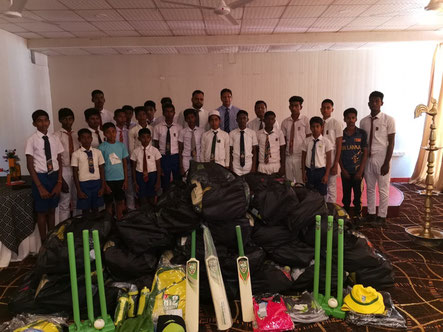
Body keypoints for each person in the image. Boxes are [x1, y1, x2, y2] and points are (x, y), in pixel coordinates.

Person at [25, 110, 64, 243]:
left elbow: (59, 160)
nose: (43, 123)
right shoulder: (31, 140)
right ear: (34, 123)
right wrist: (40, 186)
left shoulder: (55, 138)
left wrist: (59, 182)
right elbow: (30, 166)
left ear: (49, 122)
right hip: (40, 178)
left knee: (52, 210)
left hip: (53, 177)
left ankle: (52, 240)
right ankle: (43, 243)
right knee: (42, 212)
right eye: (39, 121)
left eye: (45, 120)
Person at [360, 91, 395, 227]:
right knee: (369, 187)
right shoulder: (363, 121)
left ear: (381, 103)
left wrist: (386, 163)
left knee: (383, 188)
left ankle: (382, 216)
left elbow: (391, 142)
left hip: (382, 157)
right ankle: (370, 214)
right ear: (368, 103)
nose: (374, 103)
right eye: (372, 101)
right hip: (368, 158)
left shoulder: (389, 120)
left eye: (377, 101)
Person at [339, 108, 368, 220]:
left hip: (358, 172)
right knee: (345, 197)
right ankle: (345, 218)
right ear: (344, 119)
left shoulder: (362, 133)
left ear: (356, 118)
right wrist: (343, 170)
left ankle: (358, 217)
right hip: (345, 172)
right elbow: (339, 154)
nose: (351, 120)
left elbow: (365, 153)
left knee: (358, 197)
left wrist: (360, 171)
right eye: (348, 118)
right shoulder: (341, 135)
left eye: (353, 118)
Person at [71, 129, 105, 216]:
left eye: (88, 138)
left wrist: (102, 186)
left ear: (91, 139)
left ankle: (95, 228)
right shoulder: (76, 154)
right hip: (83, 184)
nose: (86, 140)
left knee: (96, 208)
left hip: (96, 182)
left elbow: (102, 169)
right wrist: (78, 190)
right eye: (83, 138)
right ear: (79, 140)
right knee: (85, 210)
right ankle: (85, 227)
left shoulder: (98, 152)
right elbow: (75, 172)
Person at [99, 122, 128, 220]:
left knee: (120, 201)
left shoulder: (121, 146)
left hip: (120, 178)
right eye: (108, 132)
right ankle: (108, 222)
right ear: (104, 134)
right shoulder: (102, 147)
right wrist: (104, 184)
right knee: (109, 203)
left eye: (113, 131)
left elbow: (124, 164)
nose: (111, 134)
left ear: (116, 132)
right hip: (108, 180)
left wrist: (126, 180)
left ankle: (119, 219)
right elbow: (101, 167)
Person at [55, 108, 80, 222]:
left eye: (70, 119)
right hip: (64, 169)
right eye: (65, 119)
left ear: (73, 119)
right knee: (65, 201)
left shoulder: (77, 135)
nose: (68, 122)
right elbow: (56, 158)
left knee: (77, 198)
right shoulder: (56, 136)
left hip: (77, 168)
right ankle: (63, 229)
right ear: (60, 120)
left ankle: (76, 225)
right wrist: (60, 178)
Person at [281, 96, 310, 184]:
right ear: (289, 107)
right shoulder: (285, 122)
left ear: (301, 107)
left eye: (296, 106)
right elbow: (283, 141)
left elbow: (309, 140)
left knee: (300, 182)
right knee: (288, 183)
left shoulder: (305, 121)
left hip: (300, 156)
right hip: (288, 156)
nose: (294, 108)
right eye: (292, 106)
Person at [153, 103, 182, 190]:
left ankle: (177, 199)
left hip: (175, 156)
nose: (169, 114)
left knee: (177, 180)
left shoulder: (179, 127)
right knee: (165, 180)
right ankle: (166, 199)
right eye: (167, 112)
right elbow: (156, 145)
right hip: (163, 156)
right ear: (163, 113)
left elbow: (180, 146)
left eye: (171, 112)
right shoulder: (157, 127)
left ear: (174, 113)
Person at [301, 117, 332, 197]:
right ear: (310, 128)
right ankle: (311, 209)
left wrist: (326, 175)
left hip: (321, 172)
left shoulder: (326, 142)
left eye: (317, 126)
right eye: (313, 127)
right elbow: (303, 158)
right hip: (309, 171)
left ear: (322, 127)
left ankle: (321, 209)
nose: (315, 129)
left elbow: (329, 160)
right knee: (309, 194)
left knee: (321, 195)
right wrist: (303, 173)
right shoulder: (306, 141)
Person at [131, 128, 162, 206]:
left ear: (150, 138)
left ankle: (151, 216)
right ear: (139, 138)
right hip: (140, 175)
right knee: (142, 198)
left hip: (152, 175)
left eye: (148, 137)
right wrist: (135, 182)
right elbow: (133, 168)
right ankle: (144, 215)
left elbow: (158, 167)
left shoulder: (155, 151)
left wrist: (158, 181)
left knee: (152, 198)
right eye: (143, 137)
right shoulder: (135, 151)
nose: (145, 139)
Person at [321, 99, 343, 203]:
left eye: (328, 108)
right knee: (322, 185)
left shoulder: (336, 123)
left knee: (331, 186)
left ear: (332, 109)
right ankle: (322, 209)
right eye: (324, 107)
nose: (325, 110)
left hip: (332, 156)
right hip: (320, 157)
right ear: (321, 109)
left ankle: (332, 211)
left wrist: (336, 164)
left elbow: (339, 145)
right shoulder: (318, 123)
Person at [114, 108, 134, 210]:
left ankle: (131, 209)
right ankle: (118, 211)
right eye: (120, 117)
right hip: (116, 163)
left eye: (124, 117)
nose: (122, 119)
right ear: (115, 118)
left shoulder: (128, 132)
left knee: (129, 188)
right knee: (118, 188)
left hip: (127, 160)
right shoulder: (112, 132)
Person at [229, 110, 258, 176]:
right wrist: (231, 166)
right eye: (240, 118)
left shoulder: (252, 133)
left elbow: (255, 151)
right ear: (236, 120)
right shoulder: (232, 133)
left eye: (244, 118)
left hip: (248, 164)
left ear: (247, 119)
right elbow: (230, 151)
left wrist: (253, 167)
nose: (242, 120)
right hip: (236, 165)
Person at [257, 111, 286, 175]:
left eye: (272, 119)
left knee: (275, 184)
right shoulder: (258, 133)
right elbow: (256, 150)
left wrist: (283, 166)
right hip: (262, 165)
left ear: (274, 121)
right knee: (261, 184)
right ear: (264, 120)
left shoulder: (279, 133)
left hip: (275, 164)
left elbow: (282, 150)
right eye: (268, 119)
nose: (270, 121)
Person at [179, 108, 204, 174]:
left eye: (192, 117)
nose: (190, 120)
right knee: (187, 178)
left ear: (195, 118)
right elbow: (180, 149)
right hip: (186, 158)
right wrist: (181, 166)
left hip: (198, 158)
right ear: (185, 120)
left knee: (199, 177)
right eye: (188, 118)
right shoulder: (182, 132)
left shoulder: (201, 131)